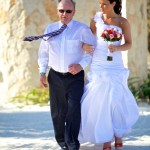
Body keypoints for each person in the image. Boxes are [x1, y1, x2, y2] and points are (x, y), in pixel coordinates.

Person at [78, 0, 139, 150]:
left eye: (105, 3)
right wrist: (84, 46)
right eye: (100, 3)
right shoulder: (96, 20)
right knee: (101, 99)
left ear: (113, 3)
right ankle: (106, 138)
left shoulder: (123, 22)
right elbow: (87, 40)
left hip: (115, 63)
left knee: (115, 98)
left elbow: (129, 43)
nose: (101, 6)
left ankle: (118, 134)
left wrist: (117, 48)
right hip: (98, 63)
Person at [38, 0, 96, 150]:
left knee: (73, 109)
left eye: (68, 11)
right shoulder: (50, 29)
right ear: (57, 11)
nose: (64, 14)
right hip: (55, 75)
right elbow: (43, 53)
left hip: (75, 77)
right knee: (58, 111)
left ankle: (72, 142)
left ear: (74, 12)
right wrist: (42, 72)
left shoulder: (82, 29)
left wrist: (81, 65)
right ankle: (61, 140)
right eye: (61, 11)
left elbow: (91, 51)